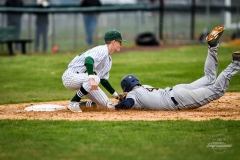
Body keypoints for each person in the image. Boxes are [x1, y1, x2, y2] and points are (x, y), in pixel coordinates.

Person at [114, 26, 240, 110]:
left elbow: (127, 104)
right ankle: (213, 47)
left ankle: (236, 63)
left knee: (217, 90)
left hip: (179, 98)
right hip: (177, 89)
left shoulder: (133, 95)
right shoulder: (145, 87)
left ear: (126, 89)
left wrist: (116, 106)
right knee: (209, 78)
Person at [62, 29, 126, 112]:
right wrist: (91, 79)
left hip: (85, 82)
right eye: (120, 42)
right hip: (70, 76)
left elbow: (103, 80)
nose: (121, 44)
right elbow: (88, 60)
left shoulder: (108, 59)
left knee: (108, 105)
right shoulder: (102, 49)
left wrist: (117, 96)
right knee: (95, 79)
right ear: (113, 42)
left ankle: (84, 104)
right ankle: (74, 101)